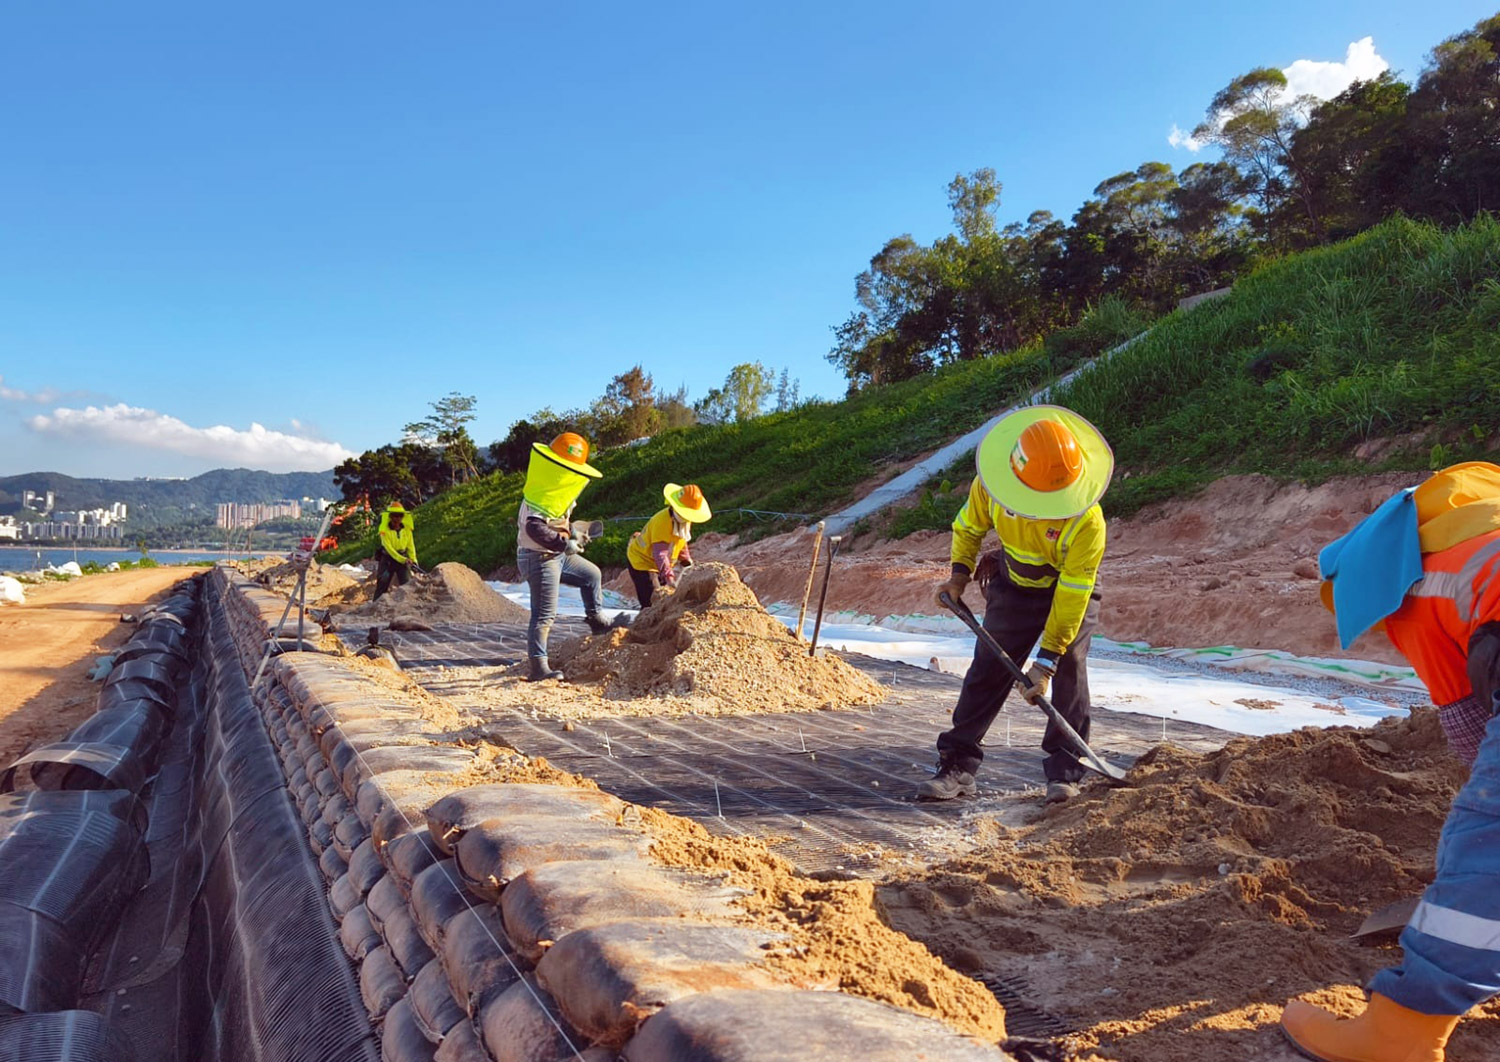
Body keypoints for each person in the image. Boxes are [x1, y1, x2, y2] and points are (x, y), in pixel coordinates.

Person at [1280, 461, 1500, 1062]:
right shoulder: (1477, 539)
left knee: (1488, 837)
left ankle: (1402, 1029)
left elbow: (1467, 727)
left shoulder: (1419, 587)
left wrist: (1466, 829)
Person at [918, 405, 1112, 805]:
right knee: (988, 667)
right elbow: (968, 526)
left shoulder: (1087, 522)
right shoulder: (992, 485)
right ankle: (958, 765)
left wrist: (1047, 661)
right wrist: (958, 576)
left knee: (1071, 668)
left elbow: (1074, 593)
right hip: (1015, 584)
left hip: (1066, 590)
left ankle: (1066, 769)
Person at [517, 432, 615, 682]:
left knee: (591, 574)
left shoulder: (555, 492)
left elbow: (558, 520)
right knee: (544, 615)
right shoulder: (541, 495)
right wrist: (564, 543)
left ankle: (596, 620)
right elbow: (534, 528)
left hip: (555, 555)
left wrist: (575, 533)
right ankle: (539, 667)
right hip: (538, 558)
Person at [626, 484, 711, 607]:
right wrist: (669, 577)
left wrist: (685, 558)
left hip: (657, 562)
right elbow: (660, 554)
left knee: (665, 600)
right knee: (653, 600)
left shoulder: (683, 521)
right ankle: (646, 624)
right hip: (642, 561)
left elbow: (681, 539)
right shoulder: (663, 523)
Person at [373, 502, 417, 600]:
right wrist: (403, 559)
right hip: (388, 560)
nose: (397, 519)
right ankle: (375, 606)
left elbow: (410, 546)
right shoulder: (384, 531)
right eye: (395, 516)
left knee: (407, 585)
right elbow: (389, 549)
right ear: (390, 516)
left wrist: (413, 559)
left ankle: (406, 605)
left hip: (403, 559)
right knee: (382, 585)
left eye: (400, 516)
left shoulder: (407, 530)